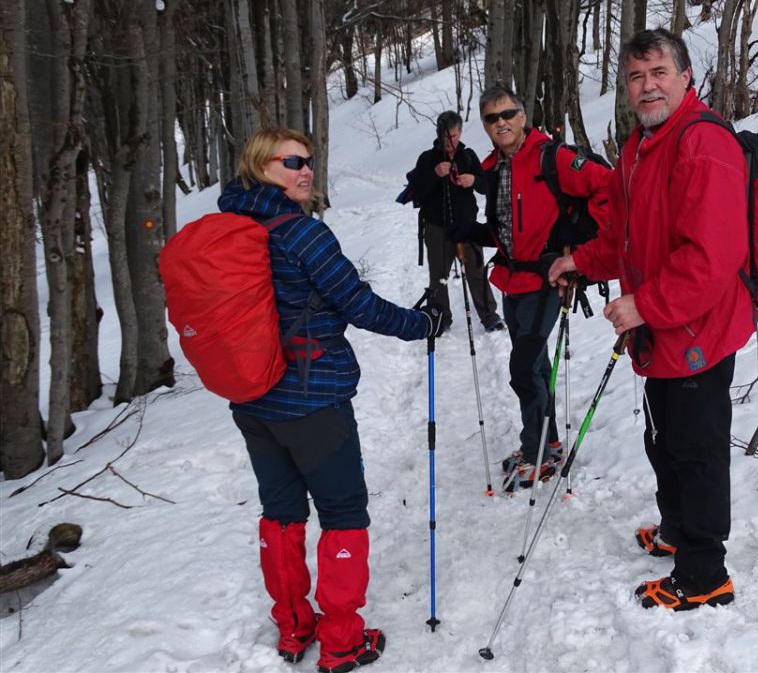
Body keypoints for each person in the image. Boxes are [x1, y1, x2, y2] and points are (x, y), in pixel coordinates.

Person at [217, 128, 442, 670]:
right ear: (260, 165)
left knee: (281, 512)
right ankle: (342, 640)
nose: (306, 170)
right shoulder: (301, 234)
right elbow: (359, 304)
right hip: (312, 399)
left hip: (253, 401)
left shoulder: (228, 228)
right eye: (291, 162)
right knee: (343, 513)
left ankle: (293, 626)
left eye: (309, 161)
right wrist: (423, 323)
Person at [548, 29, 754, 611]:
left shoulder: (703, 144)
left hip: (698, 330)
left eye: (659, 72)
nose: (648, 86)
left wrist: (644, 304)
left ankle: (704, 572)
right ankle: (676, 531)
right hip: (662, 329)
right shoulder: (640, 146)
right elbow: (624, 235)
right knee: (663, 436)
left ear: (686, 77)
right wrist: (581, 262)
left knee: (695, 449)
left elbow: (712, 257)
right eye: (637, 77)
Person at [456, 85, 610, 491]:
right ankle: (548, 443)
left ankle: (537, 449)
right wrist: (472, 232)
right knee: (537, 366)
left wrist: (579, 249)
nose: (501, 122)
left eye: (508, 114)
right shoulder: (495, 167)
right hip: (511, 279)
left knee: (523, 368)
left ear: (523, 116)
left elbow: (607, 187)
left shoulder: (553, 156)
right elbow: (510, 226)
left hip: (547, 278)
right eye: (492, 118)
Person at [411, 111, 503, 335]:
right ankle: (441, 316)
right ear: (438, 135)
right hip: (436, 227)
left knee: (476, 271)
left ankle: (489, 315)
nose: (449, 142)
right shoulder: (427, 159)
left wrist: (473, 180)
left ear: (460, 132)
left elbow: (486, 187)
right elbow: (416, 193)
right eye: (445, 137)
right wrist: (434, 174)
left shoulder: (468, 157)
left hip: (467, 226)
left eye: (453, 136)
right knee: (439, 275)